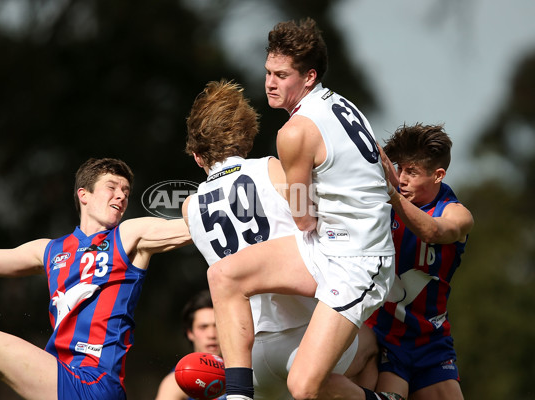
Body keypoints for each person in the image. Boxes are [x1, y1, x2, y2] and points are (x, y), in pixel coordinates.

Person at [204, 19, 400, 400]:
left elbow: (302, 217)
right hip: (324, 245)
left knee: (302, 385)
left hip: (358, 260)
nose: (270, 83)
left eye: (282, 75)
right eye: (267, 72)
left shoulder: (292, 133)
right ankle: (239, 395)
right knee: (224, 275)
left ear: (309, 77)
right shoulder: (342, 103)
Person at [182, 80, 382, 400]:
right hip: (304, 333)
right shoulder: (271, 170)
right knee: (373, 346)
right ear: (246, 138)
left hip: (247, 355)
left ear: (196, 156)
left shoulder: (190, 207)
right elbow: (310, 216)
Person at [0, 157, 191, 400]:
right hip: (62, 376)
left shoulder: (128, 235)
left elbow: (191, 227)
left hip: (94, 384)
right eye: (112, 187)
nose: (122, 195)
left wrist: (215, 201)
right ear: (84, 195)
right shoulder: (50, 250)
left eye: (126, 191)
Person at [366, 124, 473, 400]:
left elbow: (433, 231)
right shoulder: (384, 199)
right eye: (400, 169)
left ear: (438, 175)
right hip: (381, 336)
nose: (401, 179)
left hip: (431, 341)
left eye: (412, 172)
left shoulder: (457, 215)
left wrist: (392, 196)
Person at [155, 289, 226, 400]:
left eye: (217, 326)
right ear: (190, 332)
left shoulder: (247, 373)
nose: (212, 335)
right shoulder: (176, 383)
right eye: (203, 327)